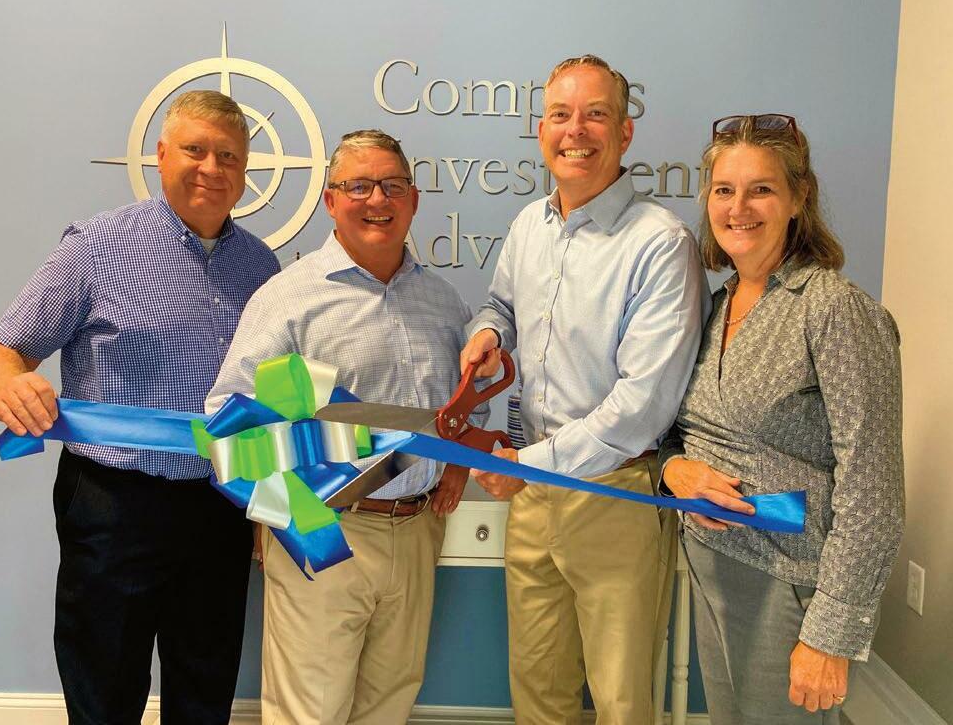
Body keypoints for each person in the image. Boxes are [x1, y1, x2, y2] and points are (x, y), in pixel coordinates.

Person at [0, 90, 281, 724]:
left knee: (206, 691)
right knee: (104, 695)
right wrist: (8, 388)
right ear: (161, 154)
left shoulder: (263, 267)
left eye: (228, 156)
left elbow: (265, 400)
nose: (211, 168)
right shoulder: (97, 246)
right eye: (194, 150)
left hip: (220, 508)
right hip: (112, 507)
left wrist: (269, 504)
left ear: (245, 170)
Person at [460, 55, 709, 725]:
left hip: (614, 492)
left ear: (625, 132)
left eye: (596, 114)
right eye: (561, 115)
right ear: (542, 130)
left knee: (622, 702)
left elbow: (640, 409)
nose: (577, 130)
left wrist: (525, 464)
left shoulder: (661, 244)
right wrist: (488, 333)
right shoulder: (528, 226)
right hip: (532, 496)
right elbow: (500, 306)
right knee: (538, 694)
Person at [207, 129, 477, 725]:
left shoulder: (443, 302)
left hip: (417, 533)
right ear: (331, 200)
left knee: (389, 706)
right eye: (358, 186)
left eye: (393, 185)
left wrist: (456, 463)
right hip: (326, 534)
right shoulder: (289, 297)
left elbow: (462, 407)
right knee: (310, 714)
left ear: (413, 199)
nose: (377, 199)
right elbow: (228, 420)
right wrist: (290, 516)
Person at [660, 114, 904, 724]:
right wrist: (674, 471)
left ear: (799, 199)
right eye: (724, 190)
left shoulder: (834, 310)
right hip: (713, 568)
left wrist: (829, 636)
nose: (738, 207)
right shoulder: (715, 307)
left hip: (790, 586)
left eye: (761, 189)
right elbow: (678, 433)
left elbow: (873, 489)